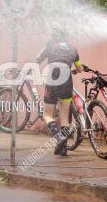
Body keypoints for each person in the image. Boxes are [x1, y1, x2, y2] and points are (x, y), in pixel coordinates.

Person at [36, 28, 85, 157]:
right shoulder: (72, 49)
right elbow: (80, 68)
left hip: (52, 77)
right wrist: (78, 67)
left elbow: (37, 59)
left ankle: (59, 138)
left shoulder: (50, 46)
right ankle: (62, 148)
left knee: (47, 115)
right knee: (64, 117)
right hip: (67, 81)